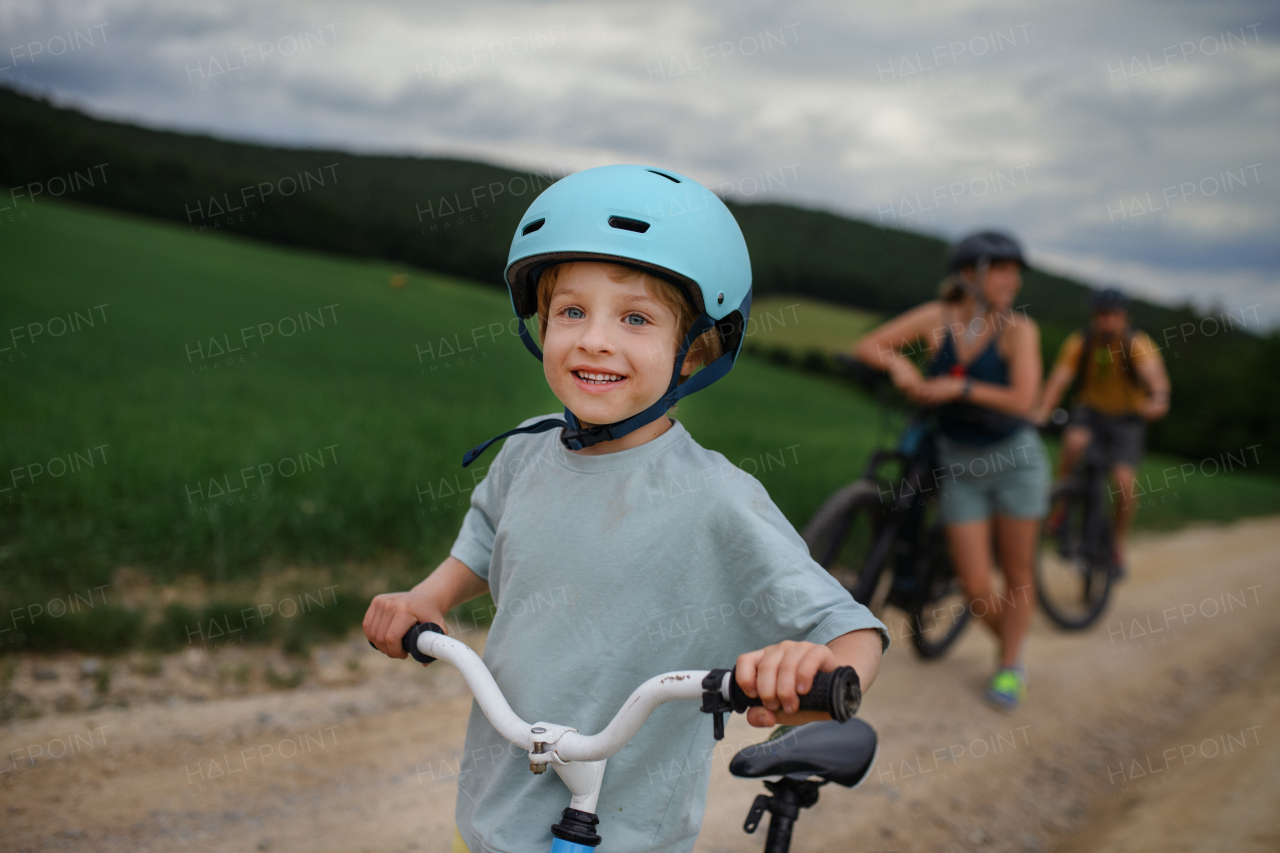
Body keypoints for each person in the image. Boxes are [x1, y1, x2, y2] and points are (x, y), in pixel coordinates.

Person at [363, 165, 887, 853]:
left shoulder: (716, 498)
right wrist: (429, 596)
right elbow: (488, 533)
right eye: (571, 311)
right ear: (540, 324)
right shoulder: (527, 450)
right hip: (492, 813)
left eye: (636, 318)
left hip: (627, 832)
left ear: (695, 348)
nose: (594, 339)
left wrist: (810, 672)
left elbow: (853, 630)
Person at [852, 230, 1048, 711]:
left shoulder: (1019, 331)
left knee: (1018, 573)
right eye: (1002, 269)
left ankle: (1009, 664)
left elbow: (1025, 401)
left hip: (1015, 465)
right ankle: (1016, 647)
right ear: (970, 274)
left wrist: (957, 391)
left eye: (1015, 271)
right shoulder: (937, 319)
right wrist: (903, 369)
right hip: (959, 465)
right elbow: (871, 345)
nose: (1013, 280)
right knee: (978, 586)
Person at [1034, 287, 1170, 573]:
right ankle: (1061, 509)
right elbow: (1059, 380)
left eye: (1113, 316)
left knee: (1123, 481)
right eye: (1101, 315)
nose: (1106, 322)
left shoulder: (1138, 344)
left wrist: (1158, 399)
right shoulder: (1082, 342)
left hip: (1128, 416)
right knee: (1073, 444)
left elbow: (1155, 377)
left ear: (1125, 318)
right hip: (1090, 410)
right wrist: (1042, 413)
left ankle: (1118, 544)